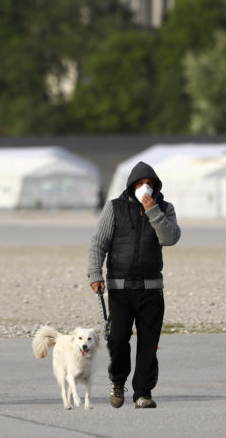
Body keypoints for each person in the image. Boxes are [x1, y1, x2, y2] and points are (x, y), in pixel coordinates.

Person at [88, 161, 181, 409]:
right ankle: (118, 381)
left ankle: (143, 393)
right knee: (117, 339)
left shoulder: (165, 208)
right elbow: (98, 243)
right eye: (140, 184)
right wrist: (95, 274)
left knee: (148, 344)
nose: (145, 188)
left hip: (151, 289)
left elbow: (170, 238)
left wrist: (153, 211)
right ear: (131, 186)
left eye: (150, 184)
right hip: (119, 288)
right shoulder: (114, 208)